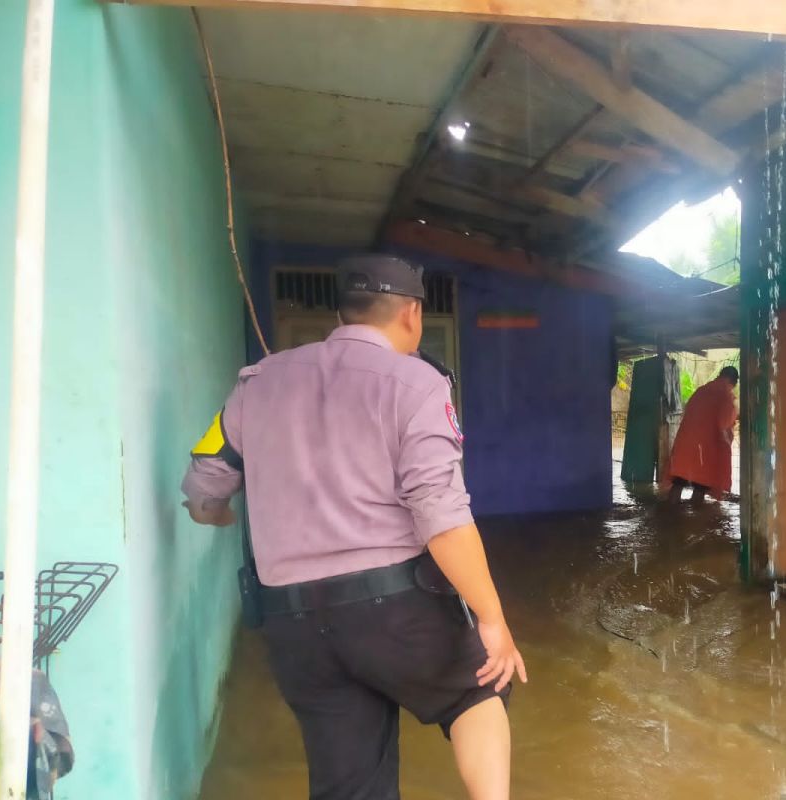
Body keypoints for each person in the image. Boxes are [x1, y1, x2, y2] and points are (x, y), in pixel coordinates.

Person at [181, 254, 527, 800]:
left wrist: (217, 514)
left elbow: (204, 486)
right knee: (477, 692)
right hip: (395, 609)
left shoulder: (256, 384)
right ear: (412, 314)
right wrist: (492, 618)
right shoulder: (418, 385)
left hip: (291, 622)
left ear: (342, 313)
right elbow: (439, 512)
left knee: (351, 782)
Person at [667, 366, 739, 503]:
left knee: (678, 482)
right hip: (704, 450)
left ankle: (669, 516)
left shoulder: (701, 390)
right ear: (733, 382)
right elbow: (723, 424)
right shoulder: (725, 395)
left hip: (685, 444)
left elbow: (687, 412)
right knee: (701, 485)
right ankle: (699, 521)